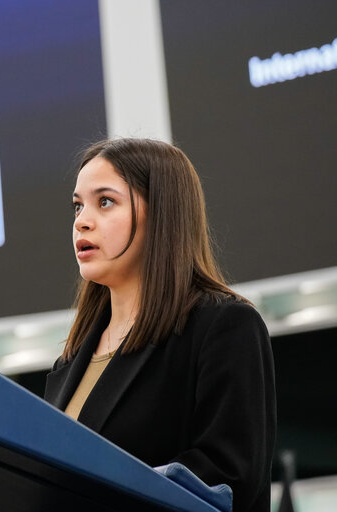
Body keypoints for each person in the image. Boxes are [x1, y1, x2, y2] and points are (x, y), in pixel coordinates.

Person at [44, 138, 276, 512]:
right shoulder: (69, 362)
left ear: (162, 213)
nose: (81, 221)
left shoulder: (223, 327)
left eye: (105, 202)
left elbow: (230, 480)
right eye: (78, 206)